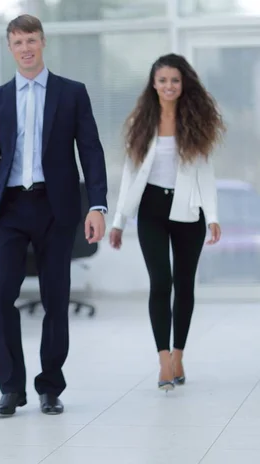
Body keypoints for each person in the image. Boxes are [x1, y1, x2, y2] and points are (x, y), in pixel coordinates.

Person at [0, 14, 108, 417]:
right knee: (0, 299)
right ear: (10, 48)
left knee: (55, 299)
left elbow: (91, 151)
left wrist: (97, 205)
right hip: (9, 209)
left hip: (56, 206)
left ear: (42, 42)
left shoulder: (71, 93)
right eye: (18, 42)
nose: (26, 48)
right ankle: (11, 388)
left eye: (31, 40)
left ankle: (50, 386)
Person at [109, 53, 224, 391]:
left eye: (175, 80)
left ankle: (178, 354)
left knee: (184, 284)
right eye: (162, 80)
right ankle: (162, 360)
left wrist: (213, 216)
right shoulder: (140, 123)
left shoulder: (198, 121)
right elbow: (131, 174)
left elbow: (206, 171)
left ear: (183, 83)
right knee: (161, 282)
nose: (169, 86)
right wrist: (118, 221)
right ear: (154, 84)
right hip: (152, 211)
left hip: (189, 211)